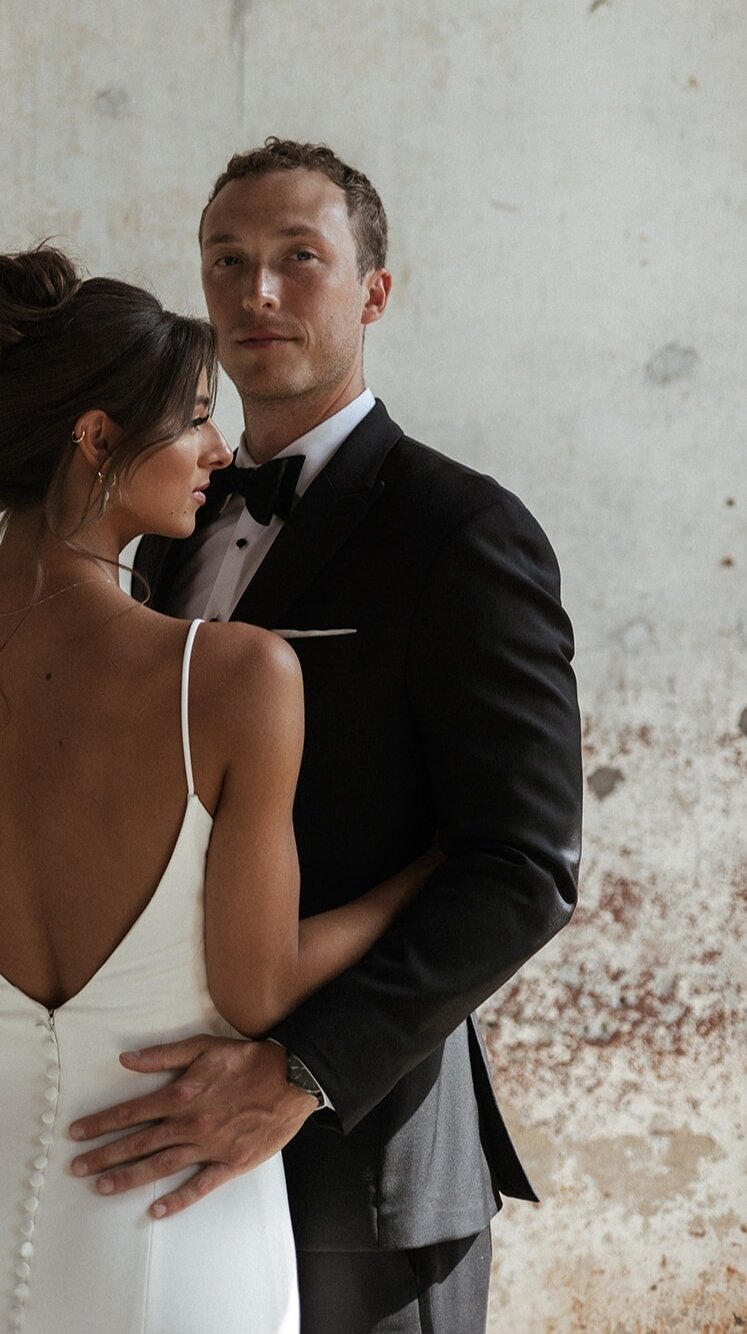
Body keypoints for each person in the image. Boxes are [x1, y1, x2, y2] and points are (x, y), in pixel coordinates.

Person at [0, 245, 439, 1334]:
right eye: (194, 415)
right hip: (170, 1213)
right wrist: (423, 872)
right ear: (96, 437)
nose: (215, 445)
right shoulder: (233, 674)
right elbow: (256, 992)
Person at [66, 139, 584, 1333]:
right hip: (158, 1143)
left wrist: (300, 1074)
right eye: (228, 261)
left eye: (299, 259)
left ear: (371, 292)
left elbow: (520, 866)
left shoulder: (463, 531)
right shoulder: (164, 536)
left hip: (366, 1165)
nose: (257, 293)